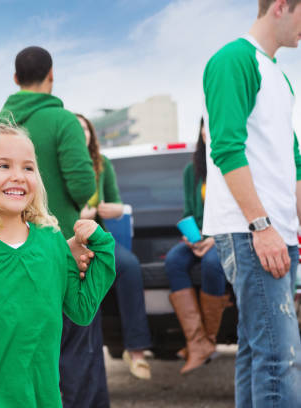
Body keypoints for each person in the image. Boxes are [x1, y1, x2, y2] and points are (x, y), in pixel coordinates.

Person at [0, 124, 116, 408]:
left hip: (43, 400)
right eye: (3, 165)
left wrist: (103, 248)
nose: (18, 177)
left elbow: (82, 310)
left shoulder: (52, 241)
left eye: (28, 168)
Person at [0, 46, 106, 408]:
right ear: (51, 75)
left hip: (9, 252)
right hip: (64, 249)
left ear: (15, 80)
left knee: (29, 352)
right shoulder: (63, 122)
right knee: (77, 349)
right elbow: (82, 186)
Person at [203, 0, 301, 406]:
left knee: (256, 350)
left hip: (277, 230)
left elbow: (292, 161)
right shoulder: (233, 60)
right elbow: (226, 148)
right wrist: (261, 227)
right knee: (281, 359)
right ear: (281, 6)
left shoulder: (278, 74)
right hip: (253, 231)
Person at [77, 113, 152, 380]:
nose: (82, 132)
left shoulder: (102, 164)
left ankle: (137, 352)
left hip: (99, 238)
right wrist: (78, 216)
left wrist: (110, 209)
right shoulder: (60, 164)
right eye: (76, 129)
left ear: (91, 134)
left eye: (85, 128)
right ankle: (89, 362)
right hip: (71, 240)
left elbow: (119, 204)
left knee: (129, 264)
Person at [164, 118, 230, 374]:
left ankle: (208, 340)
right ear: (201, 131)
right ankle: (196, 340)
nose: (209, 130)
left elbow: (233, 211)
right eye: (206, 125)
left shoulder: (228, 163)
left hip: (224, 236)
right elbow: (189, 210)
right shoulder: (192, 170)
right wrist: (191, 239)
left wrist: (215, 239)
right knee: (174, 260)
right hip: (199, 236)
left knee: (213, 264)